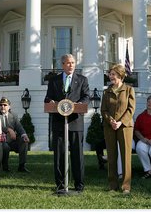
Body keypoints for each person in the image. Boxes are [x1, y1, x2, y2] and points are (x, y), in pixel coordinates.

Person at [44, 53, 90, 193]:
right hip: (59, 122)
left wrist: (80, 104)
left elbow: (86, 96)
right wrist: (50, 102)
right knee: (59, 155)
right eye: (68, 63)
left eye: (73, 62)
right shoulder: (54, 80)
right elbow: (48, 97)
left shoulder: (82, 79)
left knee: (77, 155)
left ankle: (79, 185)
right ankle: (60, 185)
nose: (71, 65)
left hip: (75, 122)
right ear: (62, 64)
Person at [101, 64, 135, 195]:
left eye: (113, 74)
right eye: (110, 74)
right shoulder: (106, 91)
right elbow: (103, 109)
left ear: (120, 75)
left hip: (125, 127)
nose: (111, 77)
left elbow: (131, 109)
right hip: (109, 126)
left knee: (125, 156)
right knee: (111, 155)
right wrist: (111, 121)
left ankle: (126, 186)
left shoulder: (129, 90)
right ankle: (112, 186)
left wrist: (121, 122)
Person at [0, 97, 30, 172]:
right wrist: (8, 129)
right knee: (5, 147)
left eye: (5, 105)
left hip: (12, 140)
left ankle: (22, 166)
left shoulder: (13, 115)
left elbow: (19, 127)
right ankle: (5, 167)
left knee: (24, 141)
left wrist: (24, 135)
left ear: (9, 107)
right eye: (1, 105)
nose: (2, 107)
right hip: (1, 140)